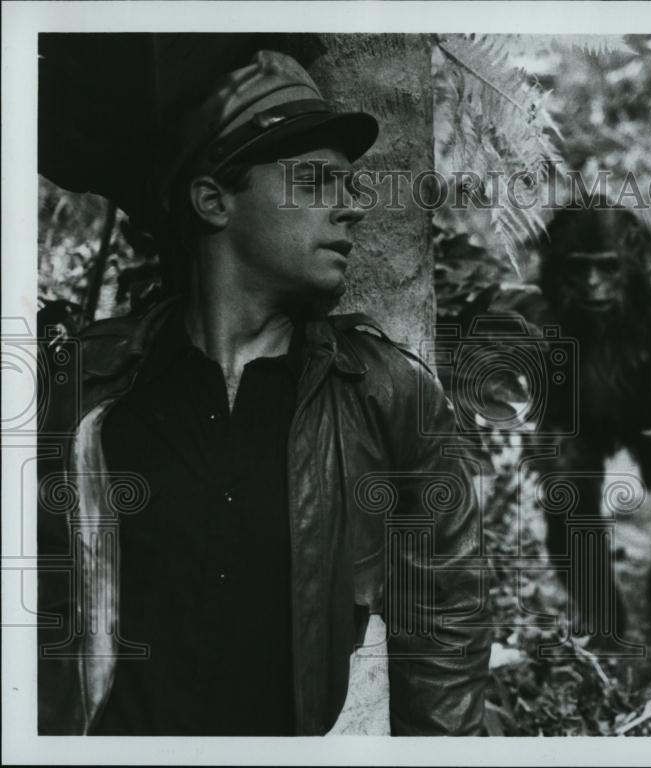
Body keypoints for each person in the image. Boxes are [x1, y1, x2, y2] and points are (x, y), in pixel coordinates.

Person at [37, 49, 490, 736]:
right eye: (318, 181)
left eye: (352, 185)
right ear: (214, 200)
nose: (355, 207)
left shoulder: (385, 396)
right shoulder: (87, 388)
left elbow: (446, 630)